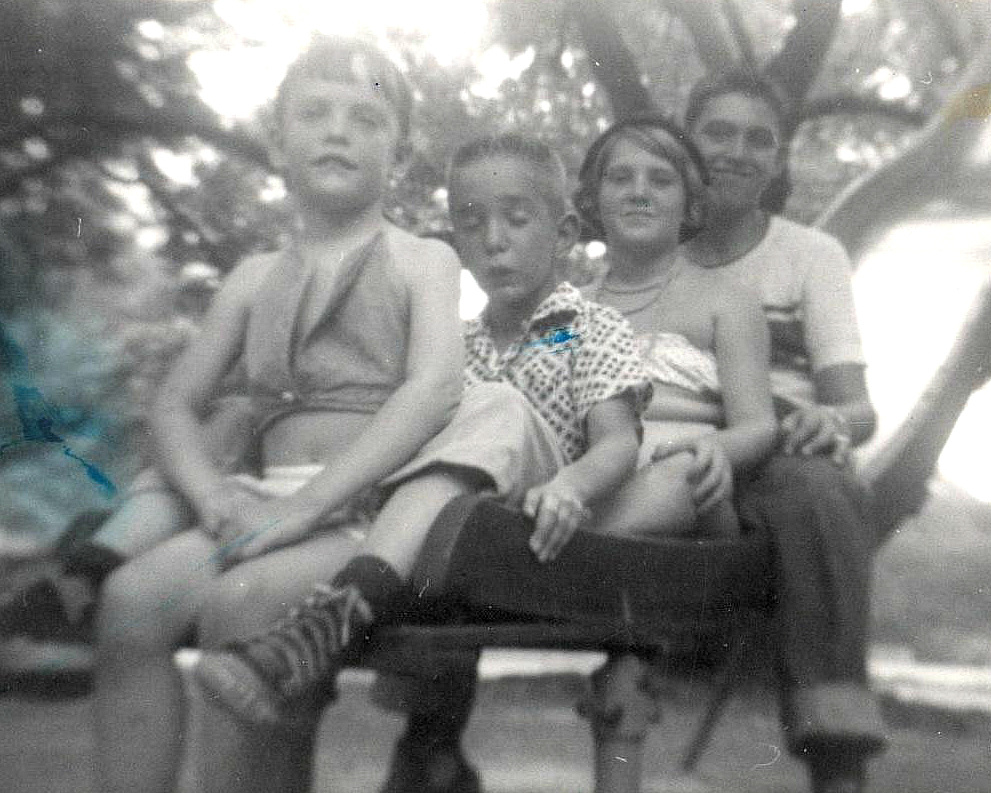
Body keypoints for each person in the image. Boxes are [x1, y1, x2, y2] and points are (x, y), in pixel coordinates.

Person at [93, 36, 466, 793]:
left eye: (366, 119)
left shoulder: (422, 260)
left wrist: (306, 505)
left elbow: (432, 391)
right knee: (129, 600)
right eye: (316, 113)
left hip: (368, 509)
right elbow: (174, 403)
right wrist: (212, 496)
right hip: (258, 506)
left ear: (396, 151)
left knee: (243, 604)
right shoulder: (253, 276)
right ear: (278, 143)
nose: (338, 130)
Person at [191, 132, 653, 730]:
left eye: (517, 220)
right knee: (435, 411)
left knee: (490, 403)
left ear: (564, 233)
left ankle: (344, 610)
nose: (493, 242)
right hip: (454, 526)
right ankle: (338, 630)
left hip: (541, 521)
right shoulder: (456, 342)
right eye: (471, 223)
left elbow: (618, 440)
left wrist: (573, 487)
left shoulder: (587, 326)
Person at [681, 71, 887, 793]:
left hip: (775, 452)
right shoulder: (645, 240)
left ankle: (837, 761)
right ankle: (432, 738)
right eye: (717, 132)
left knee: (820, 490)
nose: (736, 152)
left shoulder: (809, 255)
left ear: (776, 161)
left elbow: (858, 409)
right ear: (685, 142)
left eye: (757, 139)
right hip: (665, 441)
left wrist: (827, 421)